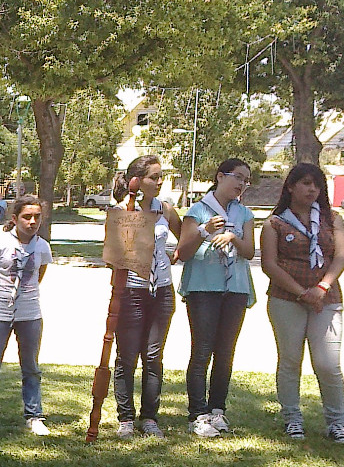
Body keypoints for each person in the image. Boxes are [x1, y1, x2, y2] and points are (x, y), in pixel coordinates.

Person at [260, 162, 344, 441]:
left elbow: (340, 257)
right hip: (286, 299)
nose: (312, 189)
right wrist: (301, 293)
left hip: (326, 298)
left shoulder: (332, 219)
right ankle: (292, 419)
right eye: (306, 183)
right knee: (290, 360)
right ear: (291, 187)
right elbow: (269, 265)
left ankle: (337, 421)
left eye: (317, 185)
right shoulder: (275, 223)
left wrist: (321, 288)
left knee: (328, 363)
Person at [176, 158, 257, 437]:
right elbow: (183, 253)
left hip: (235, 289)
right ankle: (197, 414)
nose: (241, 184)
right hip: (203, 287)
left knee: (225, 352)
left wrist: (233, 238)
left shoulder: (244, 213)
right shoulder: (198, 210)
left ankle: (217, 410)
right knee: (202, 350)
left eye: (246, 180)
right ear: (220, 177)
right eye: (237, 177)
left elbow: (249, 251)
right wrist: (205, 230)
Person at [110, 155, 182, 439]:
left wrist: (174, 255)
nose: (160, 181)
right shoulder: (121, 210)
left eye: (161, 176)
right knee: (127, 356)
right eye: (154, 177)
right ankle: (126, 418)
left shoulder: (165, 209)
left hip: (161, 289)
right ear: (136, 181)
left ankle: (149, 417)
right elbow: (113, 256)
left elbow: (183, 235)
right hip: (131, 290)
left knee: (153, 356)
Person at [0, 196, 53, 437]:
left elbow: (38, 275)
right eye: (27, 217)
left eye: (37, 217)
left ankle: (34, 415)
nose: (32, 222)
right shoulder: (0, 243)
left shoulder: (42, 247)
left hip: (30, 312)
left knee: (31, 366)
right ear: (15, 219)